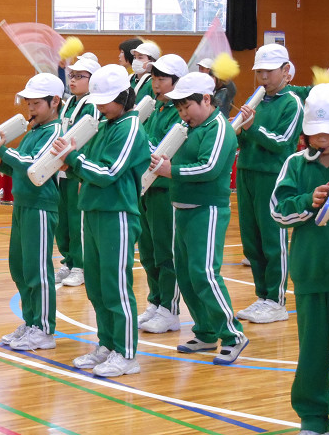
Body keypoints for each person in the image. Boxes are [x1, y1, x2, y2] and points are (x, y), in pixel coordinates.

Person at [53, 64, 150, 377]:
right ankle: (107, 343)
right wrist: (73, 163)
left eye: (105, 101)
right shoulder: (108, 124)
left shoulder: (130, 127)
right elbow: (89, 168)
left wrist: (73, 158)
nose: (100, 107)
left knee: (115, 285)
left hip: (117, 214)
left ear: (123, 97)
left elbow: (108, 172)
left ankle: (126, 353)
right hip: (93, 211)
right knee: (96, 286)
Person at [151, 71, 248, 365]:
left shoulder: (218, 128)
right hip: (182, 208)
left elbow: (209, 168)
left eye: (187, 106)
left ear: (207, 99)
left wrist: (171, 171)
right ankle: (205, 332)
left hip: (207, 210)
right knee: (186, 274)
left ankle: (233, 335)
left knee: (205, 274)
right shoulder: (186, 127)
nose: (183, 113)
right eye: (179, 108)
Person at [270, 83, 329, 435]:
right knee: (311, 355)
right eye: (315, 132)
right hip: (309, 275)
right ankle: (312, 418)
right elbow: (277, 211)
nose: (322, 139)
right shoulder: (296, 163)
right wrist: (308, 201)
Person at [0, 73, 63, 351]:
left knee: (37, 269)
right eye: (28, 103)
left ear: (55, 102)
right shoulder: (34, 131)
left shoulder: (56, 132)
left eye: (36, 103)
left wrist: (3, 150)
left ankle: (44, 329)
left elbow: (33, 163)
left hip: (41, 206)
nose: (30, 109)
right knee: (19, 267)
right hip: (24, 204)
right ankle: (31, 321)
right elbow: (20, 167)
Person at [235, 44, 304, 324]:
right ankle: (262, 296)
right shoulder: (256, 100)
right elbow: (244, 138)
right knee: (251, 239)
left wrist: (251, 128)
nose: (263, 77)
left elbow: (282, 143)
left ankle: (276, 301)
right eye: (259, 71)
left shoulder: (292, 103)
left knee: (273, 239)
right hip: (247, 172)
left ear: (286, 71)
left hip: (272, 176)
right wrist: (237, 129)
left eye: (268, 71)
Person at [137, 54, 187, 334]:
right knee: (148, 251)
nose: (156, 83)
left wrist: (140, 142)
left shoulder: (179, 113)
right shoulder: (155, 109)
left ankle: (170, 309)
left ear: (177, 82)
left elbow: (162, 149)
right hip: (146, 189)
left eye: (162, 78)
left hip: (165, 190)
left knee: (166, 251)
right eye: (154, 78)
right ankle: (155, 301)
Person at [54, 54, 101, 287]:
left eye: (79, 76)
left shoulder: (92, 105)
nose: (72, 80)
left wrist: (83, 173)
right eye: (71, 75)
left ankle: (81, 266)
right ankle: (69, 261)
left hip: (77, 169)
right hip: (62, 170)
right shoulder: (70, 103)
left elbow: (91, 140)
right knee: (62, 220)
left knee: (77, 221)